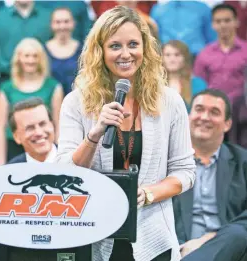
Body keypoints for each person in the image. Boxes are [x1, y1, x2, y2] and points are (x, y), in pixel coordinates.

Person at [56, 6, 196, 261]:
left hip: (154, 239)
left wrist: (150, 193)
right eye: (115, 46)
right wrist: (95, 134)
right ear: (100, 51)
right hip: (95, 236)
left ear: (145, 48)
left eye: (133, 44)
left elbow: (185, 171)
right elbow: (65, 173)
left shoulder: (170, 102)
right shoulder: (76, 103)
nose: (126, 54)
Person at [173, 89, 247, 261]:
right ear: (188, 116)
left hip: (230, 251)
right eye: (199, 109)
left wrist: (209, 239)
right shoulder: (168, 160)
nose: (205, 117)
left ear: (227, 124)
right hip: (179, 249)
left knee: (238, 233)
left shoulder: (242, 162)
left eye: (214, 112)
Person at [0, 38, 63, 165]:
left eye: (35, 56)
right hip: (14, 146)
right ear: (18, 58)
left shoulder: (54, 86)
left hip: (45, 144)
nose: (30, 60)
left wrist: (59, 155)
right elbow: (0, 126)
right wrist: (1, 163)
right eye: (26, 56)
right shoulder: (6, 88)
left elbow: (57, 123)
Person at [193, 3, 247, 104]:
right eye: (218, 21)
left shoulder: (245, 51)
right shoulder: (204, 54)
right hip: (213, 108)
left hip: (242, 110)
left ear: (236, 22)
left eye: (227, 20)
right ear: (213, 25)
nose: (223, 25)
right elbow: (199, 85)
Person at [45, 8, 82, 96]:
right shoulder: (42, 51)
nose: (62, 26)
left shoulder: (83, 50)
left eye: (66, 21)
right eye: (58, 22)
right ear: (51, 24)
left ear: (73, 23)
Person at [8, 97, 56, 164]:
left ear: (52, 125)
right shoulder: (10, 171)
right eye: (30, 128)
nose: (39, 132)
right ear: (16, 137)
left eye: (42, 124)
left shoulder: (73, 160)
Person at [162, 40, 207, 111]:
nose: (172, 59)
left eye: (177, 55)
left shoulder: (198, 84)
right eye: (167, 55)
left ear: (185, 59)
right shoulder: (154, 84)